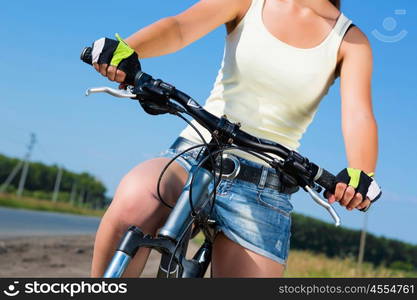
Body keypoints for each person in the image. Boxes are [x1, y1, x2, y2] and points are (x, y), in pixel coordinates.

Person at [89, 0, 381, 277]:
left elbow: (358, 114)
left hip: (266, 186)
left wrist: (361, 173)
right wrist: (127, 50)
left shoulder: (351, 41)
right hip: (197, 153)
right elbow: (180, 27)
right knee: (136, 200)